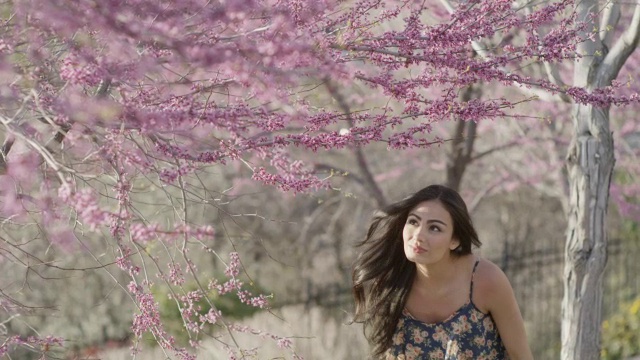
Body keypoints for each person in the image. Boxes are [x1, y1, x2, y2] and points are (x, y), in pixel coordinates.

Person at [351, 184, 533, 359]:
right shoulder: (390, 283)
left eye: (434, 228)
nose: (418, 236)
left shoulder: (485, 280)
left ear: (455, 240)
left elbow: (521, 355)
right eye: (413, 221)